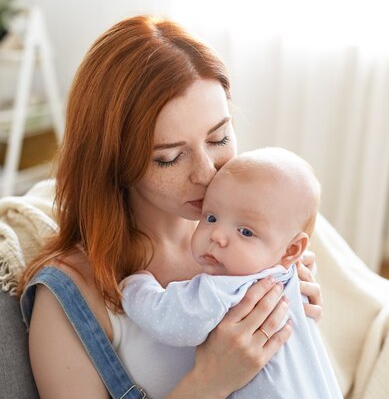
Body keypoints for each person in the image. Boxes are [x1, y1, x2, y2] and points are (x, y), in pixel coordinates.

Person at [16, 15, 323, 399]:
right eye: (170, 157)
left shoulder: (257, 236)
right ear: (112, 161)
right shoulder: (70, 300)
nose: (207, 172)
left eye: (219, 137)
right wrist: (209, 382)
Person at [121, 147, 343, 399]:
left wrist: (136, 286)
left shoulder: (223, 289)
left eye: (246, 232)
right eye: (212, 217)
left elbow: (168, 319)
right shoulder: (290, 271)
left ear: (291, 249)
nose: (217, 235)